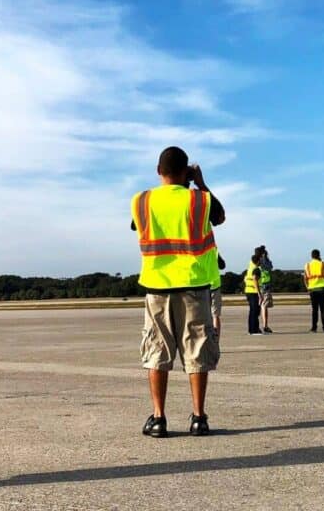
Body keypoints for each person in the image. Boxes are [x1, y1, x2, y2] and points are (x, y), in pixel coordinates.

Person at [131, 147, 224, 438]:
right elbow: (219, 217)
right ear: (187, 171)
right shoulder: (199, 199)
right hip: (194, 286)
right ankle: (199, 417)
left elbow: (136, 226)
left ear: (159, 170)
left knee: (157, 350)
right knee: (196, 350)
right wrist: (200, 183)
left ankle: (158, 418)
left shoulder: (142, 200)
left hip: (157, 287)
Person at [304, 249, 324, 332]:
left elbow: (305, 278)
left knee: (314, 309)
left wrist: (307, 287)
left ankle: (314, 327)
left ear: (311, 256)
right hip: (322, 289)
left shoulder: (307, 265)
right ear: (319, 255)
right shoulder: (323, 264)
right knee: (323, 309)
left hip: (312, 289)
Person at [244, 255, 263, 335]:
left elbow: (245, 279)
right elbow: (255, 280)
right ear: (258, 261)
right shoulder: (256, 269)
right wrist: (259, 294)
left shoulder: (250, 268)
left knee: (252, 311)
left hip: (248, 291)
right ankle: (253, 330)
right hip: (253, 292)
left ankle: (253, 329)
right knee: (255, 311)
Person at [257, 246, 274, 333]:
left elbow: (270, 266)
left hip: (261, 285)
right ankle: (265, 325)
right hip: (264, 285)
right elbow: (269, 267)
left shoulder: (256, 261)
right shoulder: (262, 261)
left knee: (262, 306)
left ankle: (263, 325)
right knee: (264, 306)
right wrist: (264, 256)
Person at [211, 253, 227, 336]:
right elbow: (222, 266)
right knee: (215, 315)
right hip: (214, 285)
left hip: (200, 285)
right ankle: (216, 341)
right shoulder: (213, 250)